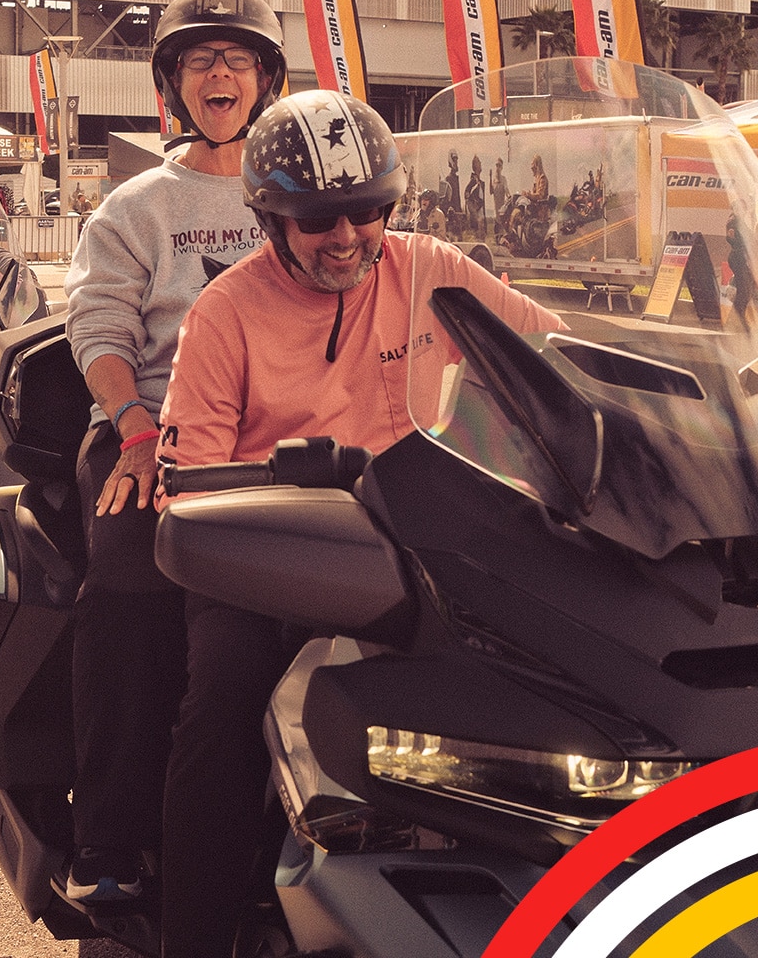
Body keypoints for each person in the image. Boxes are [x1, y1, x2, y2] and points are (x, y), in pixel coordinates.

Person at [154, 89, 566, 958]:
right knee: (221, 708)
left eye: (366, 211)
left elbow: (553, 359)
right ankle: (195, 933)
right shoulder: (224, 313)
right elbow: (186, 479)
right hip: (277, 558)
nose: (347, 236)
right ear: (273, 219)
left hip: (428, 547)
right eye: (318, 219)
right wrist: (249, 505)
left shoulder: (433, 270)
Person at [61, 0, 287, 905]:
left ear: (268, 80)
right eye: (200, 60)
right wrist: (137, 432)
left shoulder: (305, 191)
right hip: (144, 431)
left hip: (276, 442)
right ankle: (109, 840)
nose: (219, 73)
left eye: (237, 59)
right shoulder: (137, 205)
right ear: (174, 85)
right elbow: (99, 332)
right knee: (129, 583)